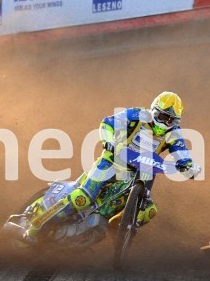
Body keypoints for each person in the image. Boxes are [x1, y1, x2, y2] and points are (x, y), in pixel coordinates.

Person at [24, 91, 199, 241]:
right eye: (162, 116)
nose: (166, 123)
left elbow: (183, 154)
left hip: (139, 174)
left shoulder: (174, 135)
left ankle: (118, 227)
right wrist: (108, 141)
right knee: (83, 198)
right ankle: (36, 225)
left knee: (150, 211)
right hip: (111, 161)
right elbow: (107, 123)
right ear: (154, 111)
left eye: (171, 120)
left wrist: (189, 167)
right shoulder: (136, 115)